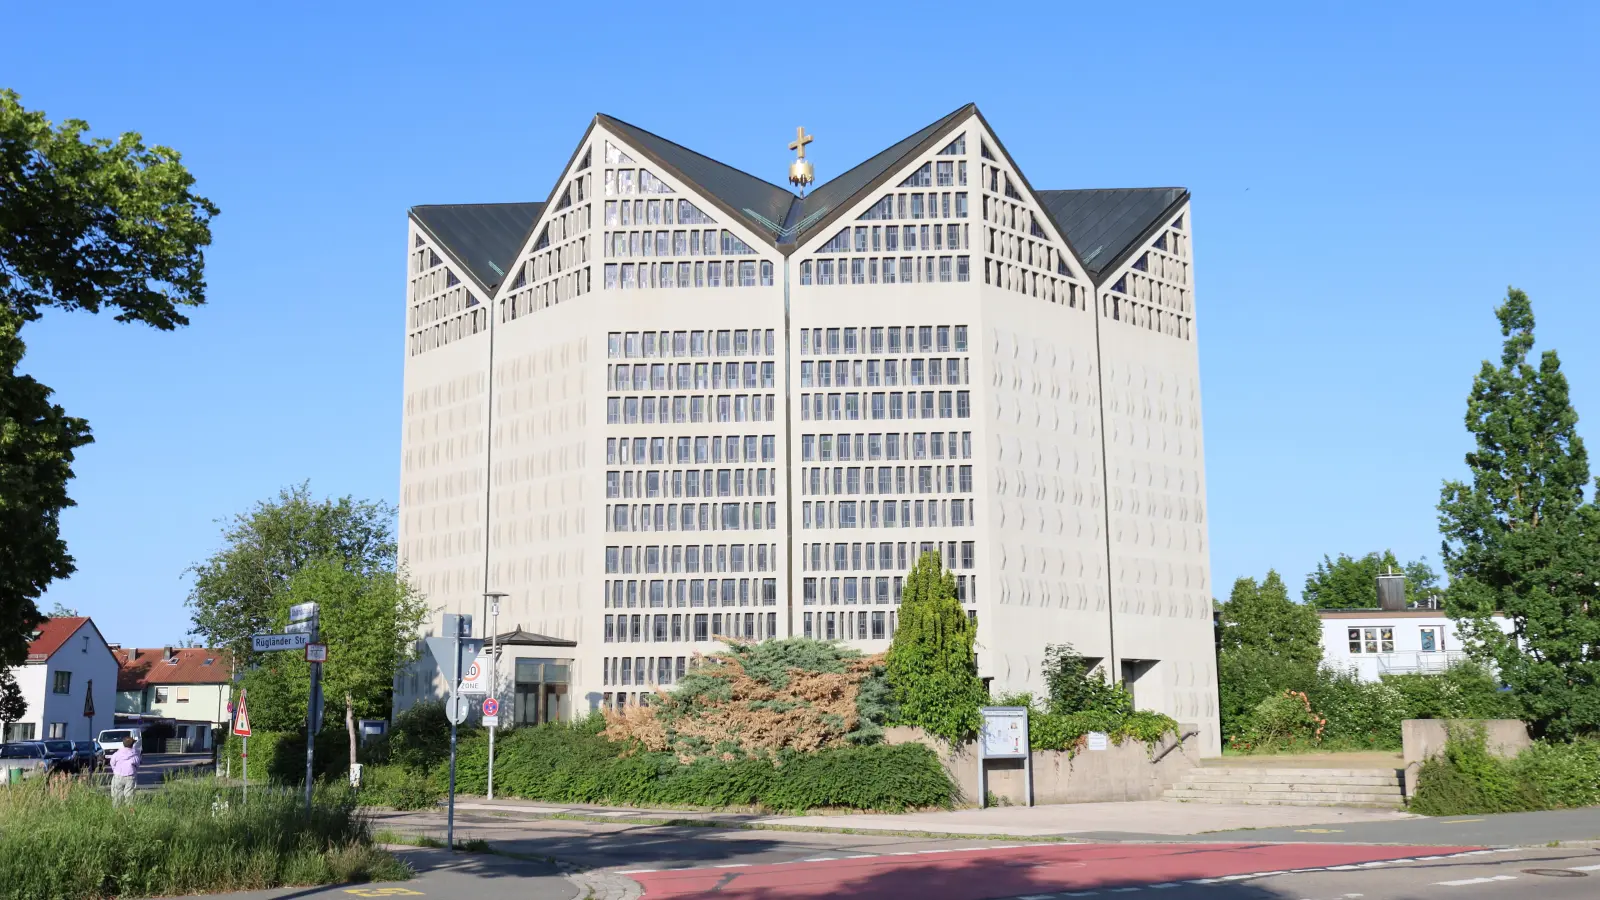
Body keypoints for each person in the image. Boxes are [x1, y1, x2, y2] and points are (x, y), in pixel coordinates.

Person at [109, 735, 141, 807]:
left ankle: (117, 812)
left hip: (118, 776)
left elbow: (112, 763)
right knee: (129, 795)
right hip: (130, 776)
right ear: (132, 745)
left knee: (117, 795)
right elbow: (137, 765)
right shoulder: (135, 755)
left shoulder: (117, 754)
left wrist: (115, 770)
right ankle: (130, 811)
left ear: (123, 744)